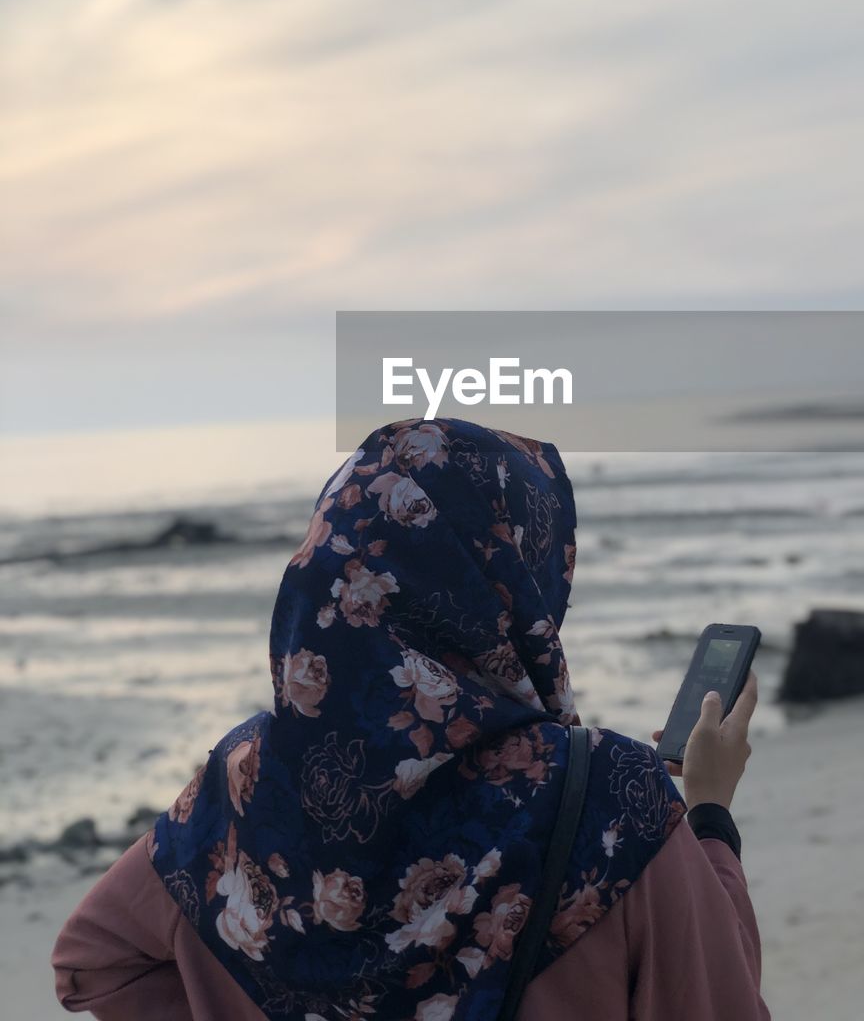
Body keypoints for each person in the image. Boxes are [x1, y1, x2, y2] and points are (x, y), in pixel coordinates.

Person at [52, 417, 769, 1020]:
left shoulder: (239, 786)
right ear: (515, 589)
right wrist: (709, 817)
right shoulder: (612, 801)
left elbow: (94, 960)